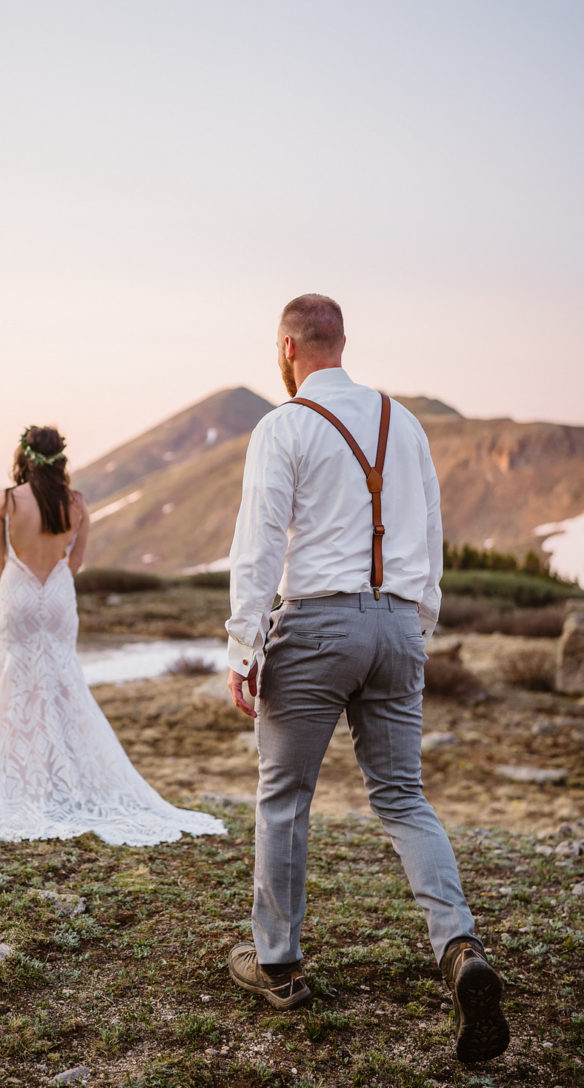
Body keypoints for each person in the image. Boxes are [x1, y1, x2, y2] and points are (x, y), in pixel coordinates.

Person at [224, 295, 509, 1062]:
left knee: (285, 794)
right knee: (403, 796)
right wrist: (418, 627)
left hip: (316, 626)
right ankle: (458, 947)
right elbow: (432, 534)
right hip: (396, 626)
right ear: (340, 343)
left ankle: (278, 964)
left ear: (288, 348)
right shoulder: (404, 424)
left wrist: (245, 648)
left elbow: (257, 549)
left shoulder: (283, 427)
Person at [0, 424, 225, 846]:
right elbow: (76, 562)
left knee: (14, 683)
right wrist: (50, 585)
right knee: (62, 682)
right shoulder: (77, 503)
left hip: (17, 592)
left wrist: (18, 585)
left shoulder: (8, 500)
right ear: (62, 459)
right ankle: (64, 775)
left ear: (24, 457)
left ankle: (19, 780)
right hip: (57, 595)